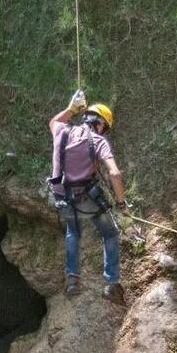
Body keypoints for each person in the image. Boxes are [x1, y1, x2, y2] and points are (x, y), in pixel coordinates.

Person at [47, 90, 130, 303]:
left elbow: (53, 122)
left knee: (73, 233)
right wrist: (121, 204)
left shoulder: (62, 132)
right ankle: (111, 284)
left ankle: (72, 280)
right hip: (87, 197)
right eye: (105, 127)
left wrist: (71, 109)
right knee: (110, 234)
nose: (104, 131)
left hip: (62, 196)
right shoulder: (99, 141)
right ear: (100, 124)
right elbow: (115, 173)